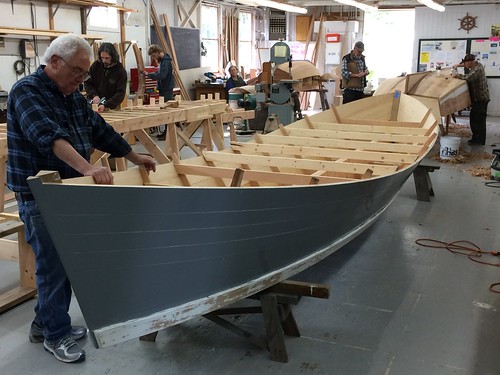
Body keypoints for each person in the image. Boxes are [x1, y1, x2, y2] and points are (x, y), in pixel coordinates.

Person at [6, 34, 156, 364]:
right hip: (39, 194)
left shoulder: (72, 94)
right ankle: (55, 334)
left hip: (68, 189)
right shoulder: (26, 92)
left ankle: (41, 324)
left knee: (62, 262)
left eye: (85, 73)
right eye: (78, 71)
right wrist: (88, 168)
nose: (81, 78)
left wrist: (134, 157)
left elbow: (98, 127)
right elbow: (47, 136)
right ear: (54, 62)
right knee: (52, 265)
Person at [452, 53, 490, 145]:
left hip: (481, 99)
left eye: (465, 63)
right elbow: (466, 66)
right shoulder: (476, 65)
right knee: (474, 119)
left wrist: (456, 75)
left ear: (471, 62)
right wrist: (457, 65)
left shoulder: (477, 69)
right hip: (478, 99)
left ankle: (479, 141)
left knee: (478, 121)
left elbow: (468, 78)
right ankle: (476, 138)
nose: (465, 65)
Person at [141, 44, 175, 140]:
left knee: (167, 110)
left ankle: (168, 133)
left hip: (166, 89)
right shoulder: (163, 61)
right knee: (165, 110)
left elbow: (162, 75)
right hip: (164, 88)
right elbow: (160, 73)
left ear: (158, 52)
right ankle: (166, 132)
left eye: (154, 56)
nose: (154, 58)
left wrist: (149, 74)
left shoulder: (166, 62)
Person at [84, 42, 127, 113]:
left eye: (107, 58)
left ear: (113, 57)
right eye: (102, 58)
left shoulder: (120, 71)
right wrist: (94, 95)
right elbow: (88, 82)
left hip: (111, 108)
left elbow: (120, 94)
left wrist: (105, 105)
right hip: (94, 105)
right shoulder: (96, 66)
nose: (104, 61)